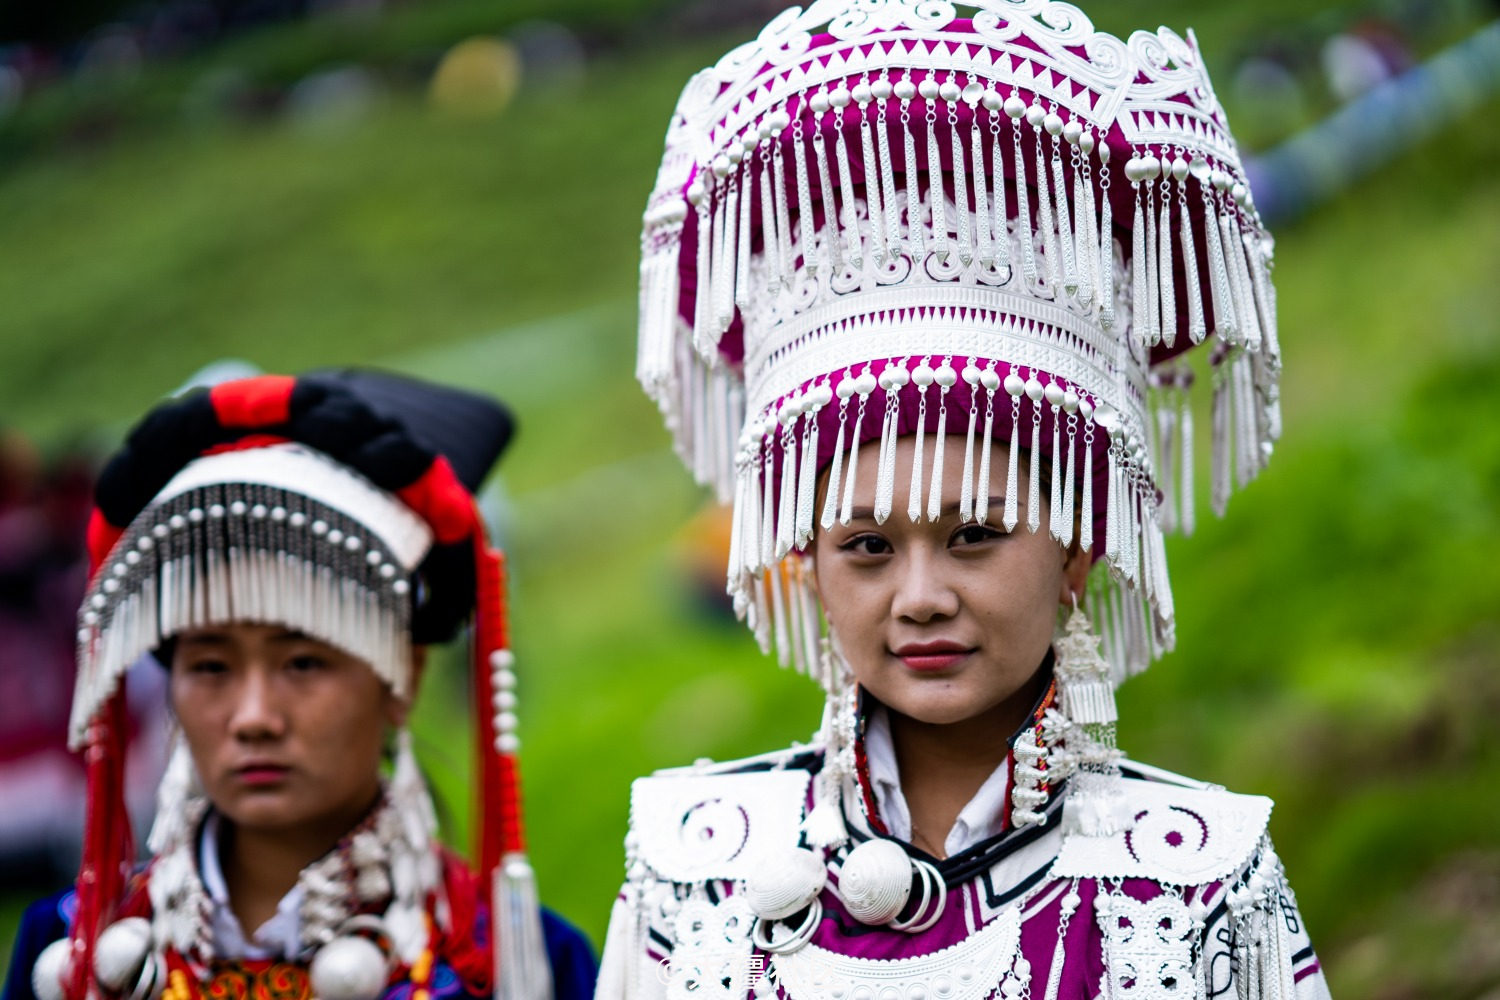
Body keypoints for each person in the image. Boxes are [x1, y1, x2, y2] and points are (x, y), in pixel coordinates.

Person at [599, 3, 1332, 998]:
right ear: (803, 563)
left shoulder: (1200, 883)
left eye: (974, 534)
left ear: (1076, 551)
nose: (921, 597)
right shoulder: (692, 868)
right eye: (867, 545)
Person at [3, 370, 597, 1000]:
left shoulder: (513, 962)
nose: (253, 717)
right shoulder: (72, 953)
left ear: (405, 673)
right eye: (211, 667)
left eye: (304, 663)